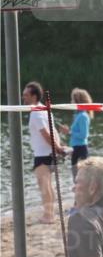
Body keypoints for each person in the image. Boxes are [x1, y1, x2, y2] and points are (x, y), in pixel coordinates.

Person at [23, 81, 68, 224]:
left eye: (26, 95)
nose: (23, 98)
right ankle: (50, 214)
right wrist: (58, 146)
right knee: (47, 185)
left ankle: (48, 216)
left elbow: (46, 133)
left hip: (43, 154)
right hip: (47, 152)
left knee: (44, 185)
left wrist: (58, 148)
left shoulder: (36, 112)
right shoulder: (44, 109)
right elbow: (52, 130)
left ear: (34, 96)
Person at [57, 88, 93, 182]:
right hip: (75, 149)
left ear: (78, 101)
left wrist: (69, 132)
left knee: (81, 180)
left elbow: (84, 135)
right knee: (76, 179)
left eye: (72, 100)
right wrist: (67, 131)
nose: (71, 102)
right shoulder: (77, 115)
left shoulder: (83, 116)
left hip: (81, 150)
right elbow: (75, 134)